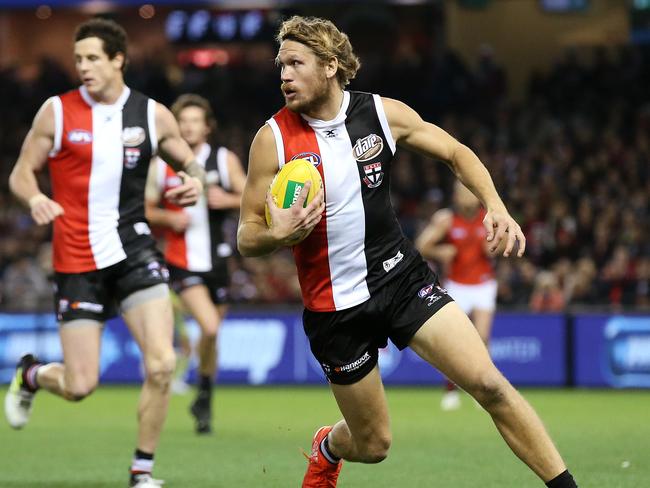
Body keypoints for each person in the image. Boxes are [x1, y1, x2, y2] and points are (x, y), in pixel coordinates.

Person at [237, 16, 578, 488]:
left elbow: (456, 153)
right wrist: (278, 234)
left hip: (400, 279)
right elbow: (246, 235)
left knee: (490, 385)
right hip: (334, 307)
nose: (284, 75)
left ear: (331, 65)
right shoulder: (271, 139)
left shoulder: (381, 114)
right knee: (374, 446)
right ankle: (328, 446)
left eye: (296, 63)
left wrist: (495, 206)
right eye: (280, 65)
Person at [4, 18, 204, 488]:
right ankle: (32, 375)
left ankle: (141, 473)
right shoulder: (56, 111)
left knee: (161, 363)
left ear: (119, 60)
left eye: (93, 58)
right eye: (78, 60)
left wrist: (195, 179)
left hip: (134, 250)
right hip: (75, 258)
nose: (83, 67)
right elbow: (20, 173)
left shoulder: (152, 115)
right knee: (80, 386)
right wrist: (34, 197)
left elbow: (186, 157)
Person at [145, 94, 245, 434]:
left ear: (207, 126)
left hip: (218, 260)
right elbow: (143, 208)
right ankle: (203, 393)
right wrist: (167, 220)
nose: (188, 126)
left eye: (194, 120)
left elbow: (254, 197)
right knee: (211, 327)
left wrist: (228, 199)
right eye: (182, 120)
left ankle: (204, 395)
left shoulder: (222, 159)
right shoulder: (161, 164)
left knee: (211, 338)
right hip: (181, 262)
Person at [415, 180, 498, 410]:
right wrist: (440, 251)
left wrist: (493, 246)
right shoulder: (447, 219)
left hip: (483, 284)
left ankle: (485, 390)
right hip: (457, 285)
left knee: (482, 337)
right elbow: (422, 245)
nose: (466, 196)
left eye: (469, 192)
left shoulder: (488, 218)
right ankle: (450, 390)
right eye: (461, 192)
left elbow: (503, 247)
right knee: (453, 342)